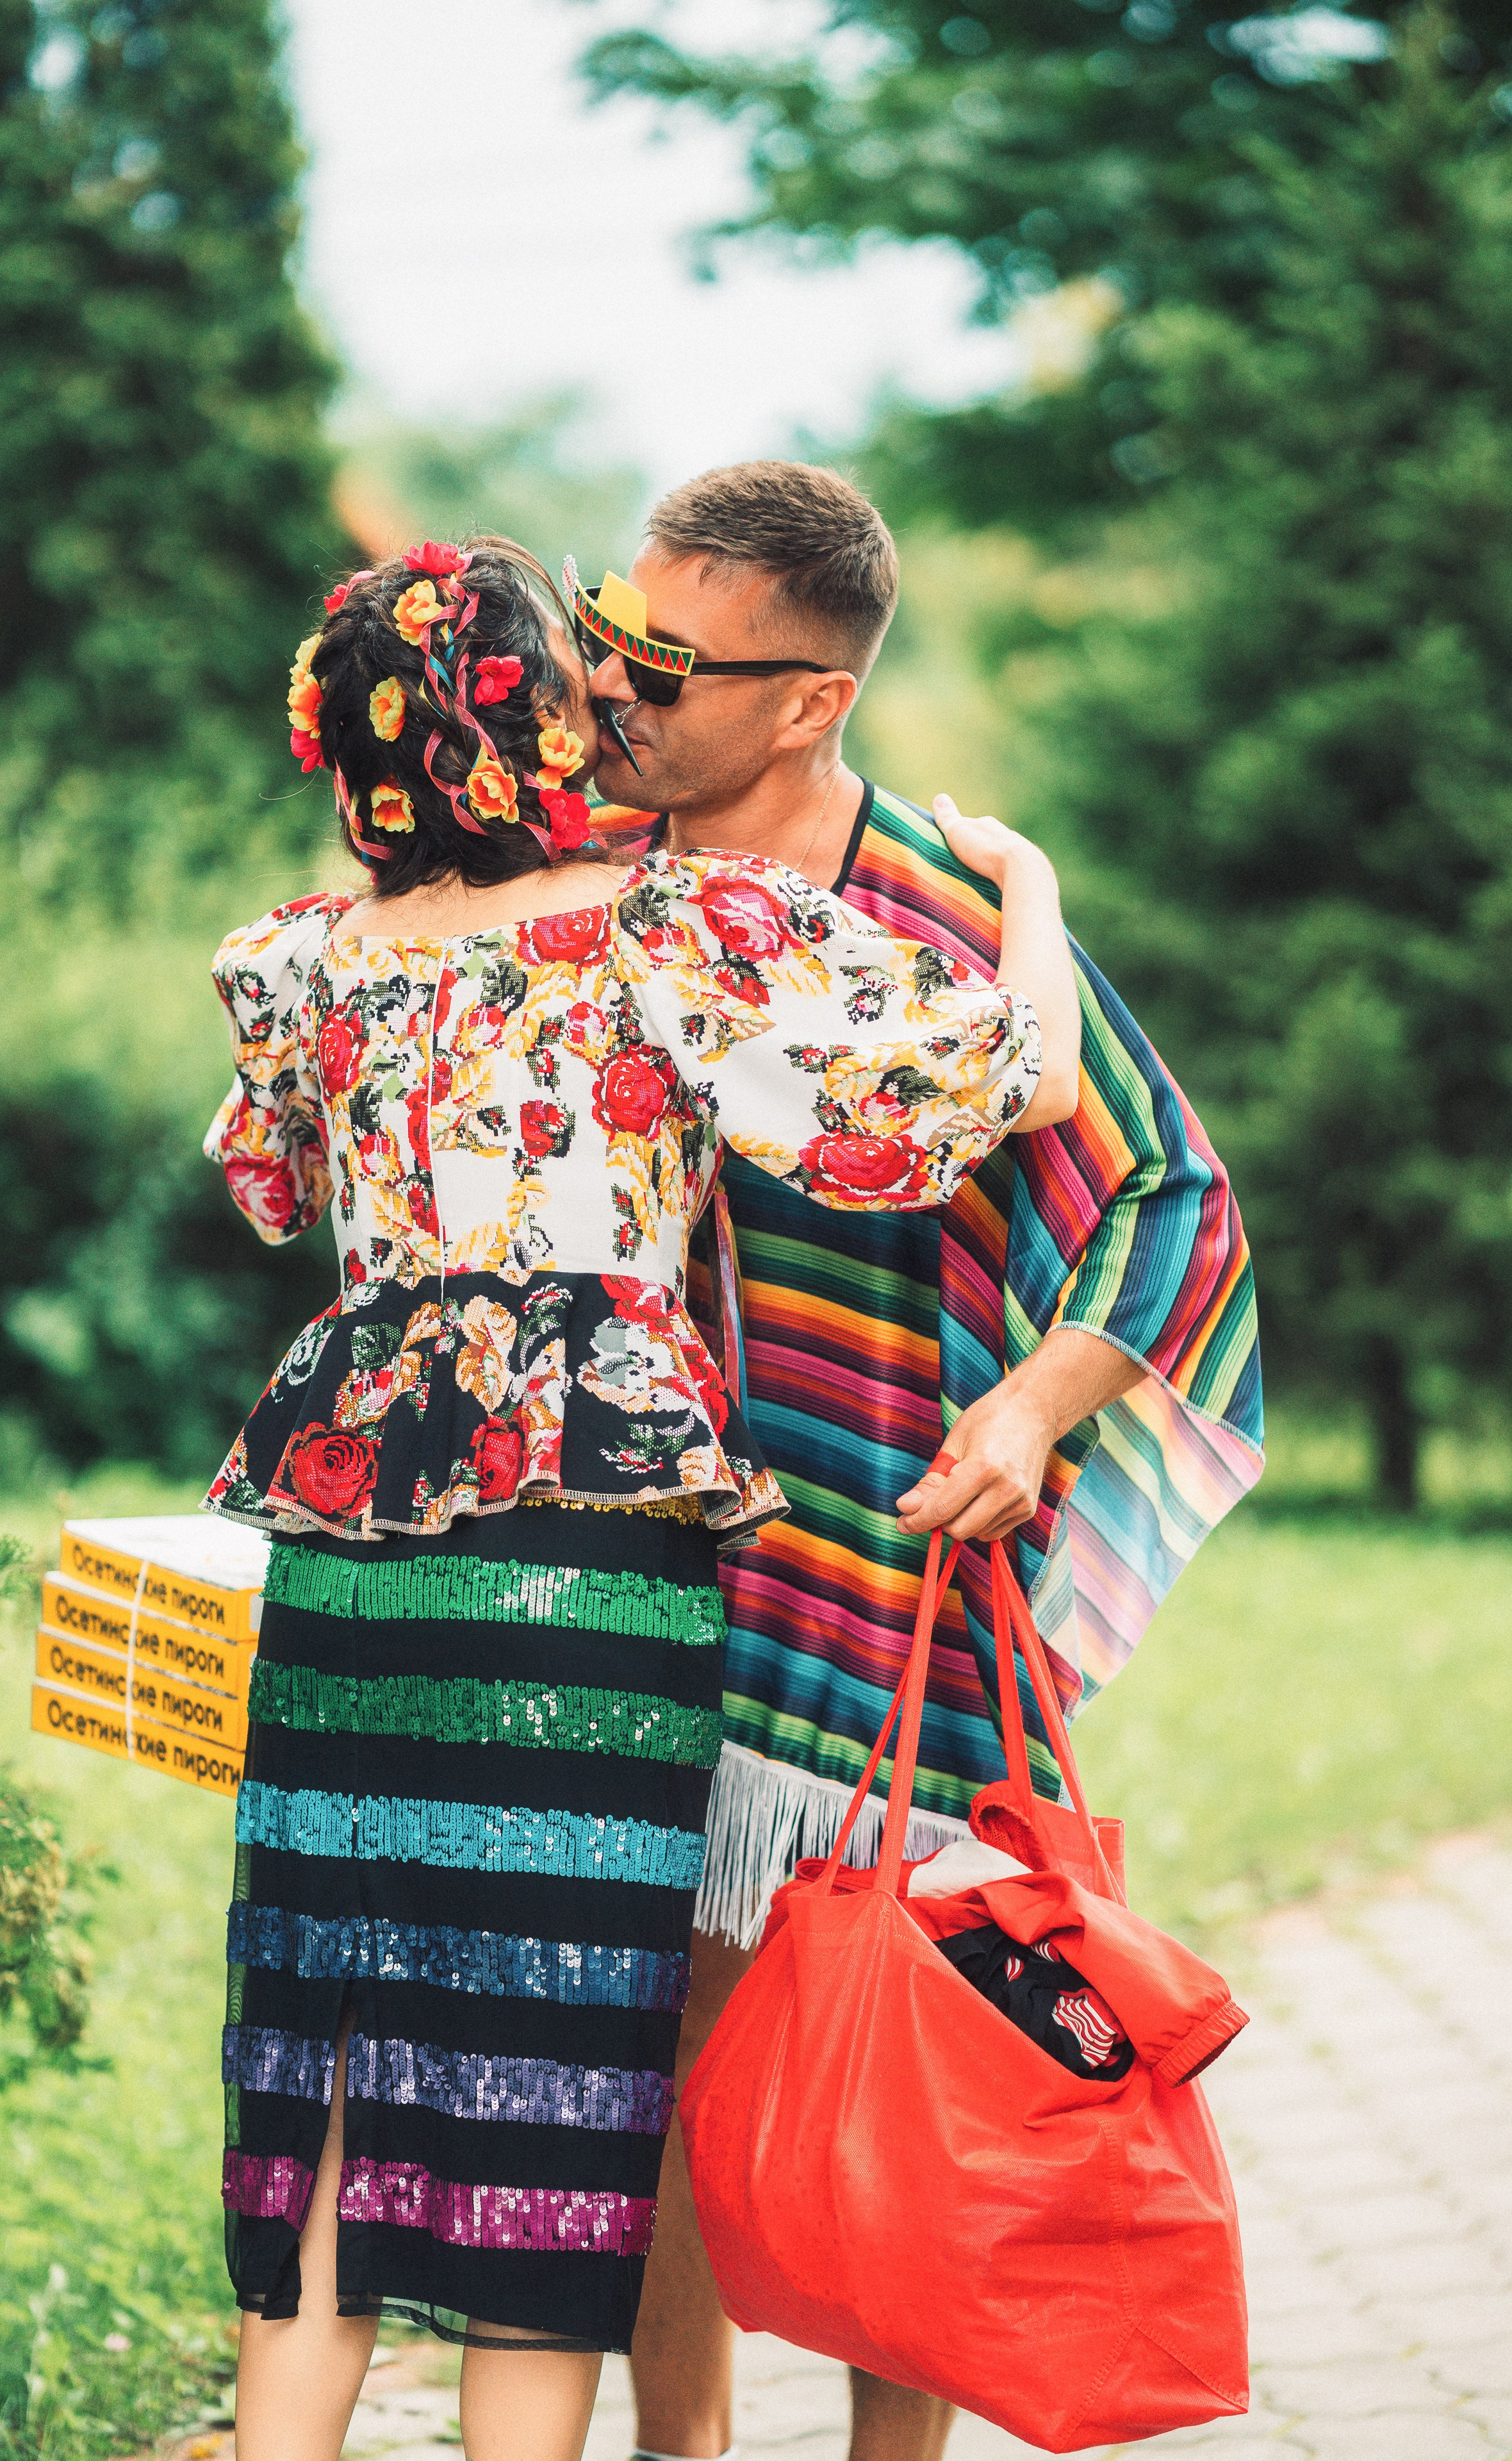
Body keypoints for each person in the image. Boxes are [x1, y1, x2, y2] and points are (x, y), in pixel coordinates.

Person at [201, 533, 1081, 2461]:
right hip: (585, 1571)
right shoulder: (669, 927)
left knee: (334, 2044)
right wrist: (1027, 894)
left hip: (350, 1570)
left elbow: (271, 1192)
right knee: (549, 2061)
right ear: (534, 733)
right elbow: (993, 1082)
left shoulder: (293, 964)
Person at [570, 462, 1264, 2461]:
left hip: (897, 1561)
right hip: (650, 1556)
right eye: (610, 640)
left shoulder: (952, 904)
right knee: (665, 2054)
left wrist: (1035, 1405)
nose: (617, 694)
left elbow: (1167, 1197)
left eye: (666, 666)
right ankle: (680, 2450)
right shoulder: (590, 886)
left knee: (923, 2047)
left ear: (807, 697)